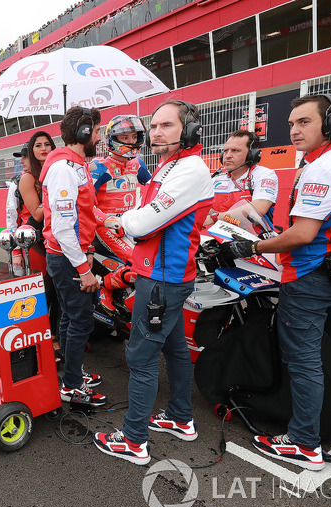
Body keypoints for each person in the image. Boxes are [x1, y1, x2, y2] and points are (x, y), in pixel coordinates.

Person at [220, 94, 331, 471]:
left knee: (303, 358)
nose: (294, 130)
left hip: (310, 273)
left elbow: (303, 234)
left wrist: (251, 245)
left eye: (304, 122)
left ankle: (303, 442)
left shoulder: (324, 168)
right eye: (291, 123)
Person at [92, 100, 214, 465]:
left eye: (167, 126)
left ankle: (133, 440)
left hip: (161, 278)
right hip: (160, 272)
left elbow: (144, 223)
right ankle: (180, 418)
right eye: (155, 126)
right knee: (175, 349)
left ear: (189, 131)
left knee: (141, 357)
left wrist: (126, 219)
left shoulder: (189, 170)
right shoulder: (170, 164)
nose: (156, 133)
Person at [41, 107, 106, 407]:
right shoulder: (64, 169)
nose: (99, 137)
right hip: (68, 258)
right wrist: (84, 270)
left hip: (71, 255)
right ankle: (71, 386)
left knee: (70, 316)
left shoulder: (76, 165)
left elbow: (85, 208)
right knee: (81, 321)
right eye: (95, 132)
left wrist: (108, 220)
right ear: (82, 134)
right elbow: (63, 227)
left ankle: (72, 374)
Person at [88, 114, 151, 312]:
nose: (131, 142)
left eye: (134, 137)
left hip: (133, 223)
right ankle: (104, 286)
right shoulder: (98, 167)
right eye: (125, 138)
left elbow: (152, 190)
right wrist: (106, 220)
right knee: (140, 263)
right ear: (112, 140)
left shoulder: (138, 164)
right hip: (106, 227)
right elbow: (86, 204)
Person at [18, 131, 62, 353]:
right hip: (37, 237)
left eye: (47, 144)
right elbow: (36, 214)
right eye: (38, 145)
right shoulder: (28, 177)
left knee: (61, 289)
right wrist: (60, 197)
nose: (44, 148)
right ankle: (45, 337)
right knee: (46, 290)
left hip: (60, 233)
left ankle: (59, 333)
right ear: (31, 151)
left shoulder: (59, 171)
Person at [204, 130, 278, 226]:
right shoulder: (217, 179)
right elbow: (203, 209)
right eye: (226, 151)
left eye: (235, 150)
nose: (228, 156)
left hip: (256, 238)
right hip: (219, 237)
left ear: (251, 155)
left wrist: (214, 218)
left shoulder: (265, 174)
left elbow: (258, 209)